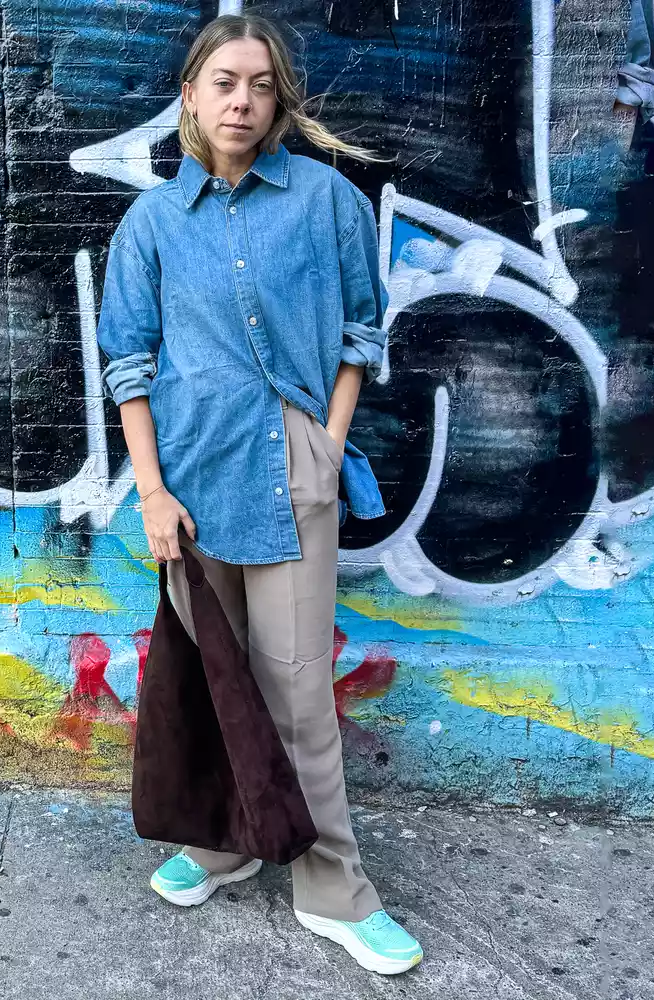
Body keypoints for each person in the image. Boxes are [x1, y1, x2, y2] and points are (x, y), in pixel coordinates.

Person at [95, 13, 423, 976]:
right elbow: (128, 364)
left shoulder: (325, 203)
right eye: (225, 82)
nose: (243, 101)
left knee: (297, 689)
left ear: (281, 101)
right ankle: (228, 843)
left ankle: (335, 887)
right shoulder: (151, 223)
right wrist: (151, 492)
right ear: (189, 95)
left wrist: (325, 442)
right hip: (188, 478)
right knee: (216, 682)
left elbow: (362, 331)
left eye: (262, 85)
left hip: (291, 469)